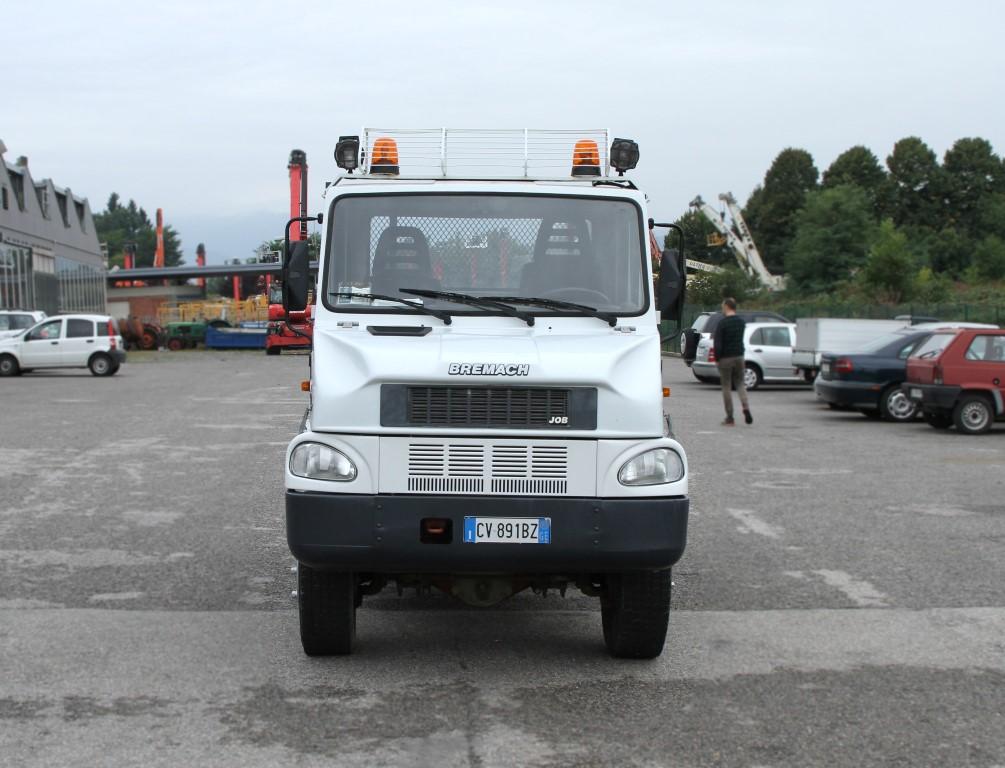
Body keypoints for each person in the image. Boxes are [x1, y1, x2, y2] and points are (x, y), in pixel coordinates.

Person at [713, 298, 752, 426]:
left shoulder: (723, 323)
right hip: (739, 356)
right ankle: (745, 407)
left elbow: (718, 344)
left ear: (727, 307)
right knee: (740, 384)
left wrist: (717, 359)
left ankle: (730, 418)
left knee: (726, 387)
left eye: (723, 306)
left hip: (726, 358)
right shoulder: (741, 322)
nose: (722, 309)